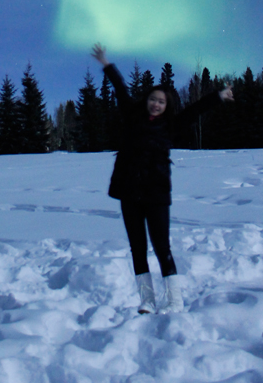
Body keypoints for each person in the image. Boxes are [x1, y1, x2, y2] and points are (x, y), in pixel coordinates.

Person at [91, 42, 234, 314]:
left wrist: (218, 96)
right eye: (153, 99)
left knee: (161, 247)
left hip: (156, 194)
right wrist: (107, 65)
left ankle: (175, 300)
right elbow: (121, 90)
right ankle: (147, 300)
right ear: (146, 100)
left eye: (161, 101)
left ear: (166, 105)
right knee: (137, 248)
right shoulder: (133, 118)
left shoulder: (171, 126)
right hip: (128, 192)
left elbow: (194, 111)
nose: (156, 104)